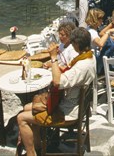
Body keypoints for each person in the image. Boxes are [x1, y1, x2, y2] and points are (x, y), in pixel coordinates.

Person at [16, 27, 96, 156]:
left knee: (21, 118)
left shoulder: (82, 66)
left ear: (75, 44)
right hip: (73, 105)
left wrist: (53, 57)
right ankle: (38, 146)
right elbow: (69, 73)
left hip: (66, 112)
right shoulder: (89, 58)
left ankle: (31, 153)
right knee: (26, 108)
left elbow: (58, 82)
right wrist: (57, 66)